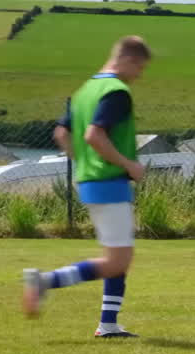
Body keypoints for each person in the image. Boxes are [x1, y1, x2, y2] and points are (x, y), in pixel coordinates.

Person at [21, 35, 151, 338]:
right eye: (140, 69)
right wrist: (128, 165)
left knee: (117, 255)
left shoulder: (85, 91)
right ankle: (44, 282)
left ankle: (108, 324)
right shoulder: (117, 91)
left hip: (91, 182)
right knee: (117, 260)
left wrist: (84, 164)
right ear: (128, 60)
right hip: (110, 182)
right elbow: (95, 135)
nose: (139, 76)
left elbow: (61, 133)